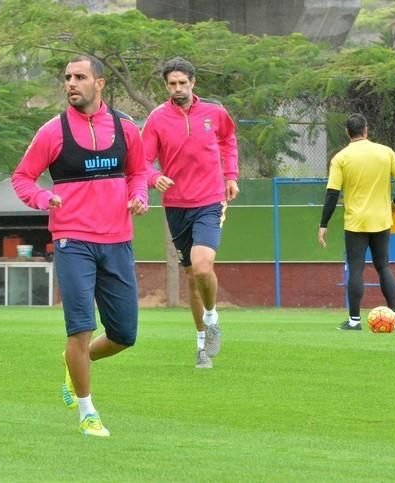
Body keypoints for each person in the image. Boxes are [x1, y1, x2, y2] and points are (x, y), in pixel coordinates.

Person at [12, 55, 148, 437]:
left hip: (118, 241)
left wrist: (140, 196)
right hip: (72, 241)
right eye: (67, 78)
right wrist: (43, 199)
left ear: (100, 83)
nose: (71, 83)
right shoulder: (52, 132)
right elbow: (23, 178)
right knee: (81, 328)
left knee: (124, 335)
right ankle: (88, 412)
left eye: (80, 77)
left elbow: (139, 173)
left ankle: (75, 362)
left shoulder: (125, 128)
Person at [141, 57, 239, 368]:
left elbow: (228, 140)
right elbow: (141, 163)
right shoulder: (157, 119)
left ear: (193, 83)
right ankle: (201, 345)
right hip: (176, 205)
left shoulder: (214, 112)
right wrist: (154, 178)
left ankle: (212, 318)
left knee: (201, 266)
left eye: (183, 83)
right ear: (166, 86)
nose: (178, 88)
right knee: (192, 278)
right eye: (172, 84)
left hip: (210, 200)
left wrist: (231, 176)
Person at [318, 113, 395, 330]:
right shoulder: (386, 152)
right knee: (383, 266)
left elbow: (332, 194)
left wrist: (323, 224)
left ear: (348, 132)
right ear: (366, 130)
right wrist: (394, 204)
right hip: (382, 219)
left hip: (356, 222)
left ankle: (354, 321)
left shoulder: (340, 158)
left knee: (356, 269)